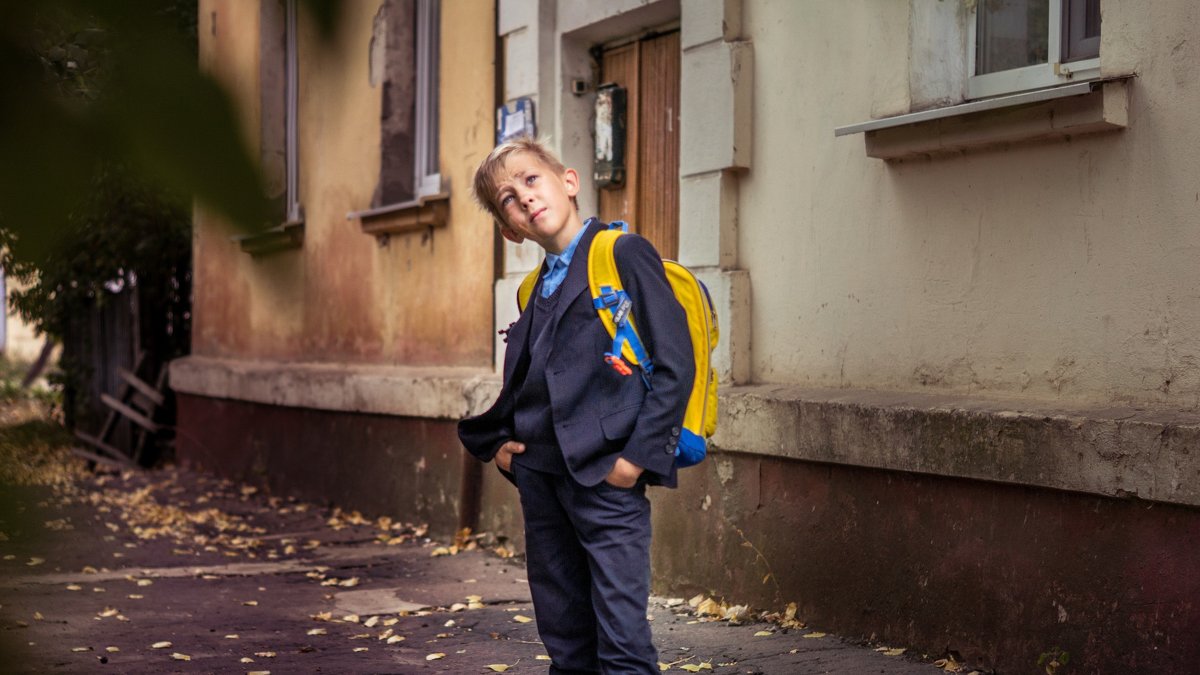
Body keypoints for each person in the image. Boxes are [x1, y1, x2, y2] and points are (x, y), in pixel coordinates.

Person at [458, 136, 694, 674]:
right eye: (508, 200)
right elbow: (527, 383)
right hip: (541, 480)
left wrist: (634, 460)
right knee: (565, 638)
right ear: (508, 228)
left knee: (622, 641)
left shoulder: (622, 254)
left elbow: (677, 364)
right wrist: (500, 447)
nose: (524, 199)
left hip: (607, 476)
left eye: (531, 181)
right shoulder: (533, 288)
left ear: (568, 182)